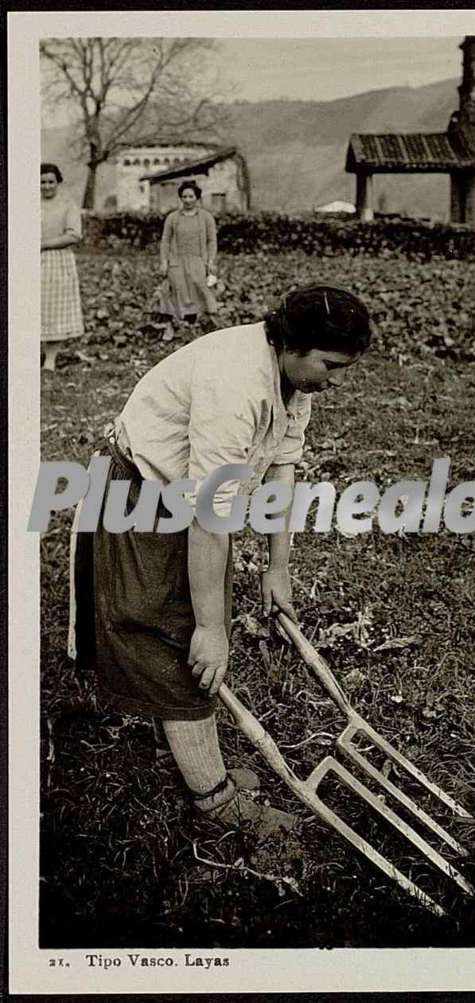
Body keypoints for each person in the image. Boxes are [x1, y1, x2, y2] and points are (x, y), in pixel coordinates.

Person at [71, 285, 372, 835]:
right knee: (179, 634)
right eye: (330, 365)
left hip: (183, 498)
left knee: (194, 617)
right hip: (137, 493)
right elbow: (209, 516)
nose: (334, 379)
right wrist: (211, 628)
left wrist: (276, 566)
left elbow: (283, 466)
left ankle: (183, 752)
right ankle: (214, 801)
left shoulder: (292, 379)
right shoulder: (236, 385)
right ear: (295, 345)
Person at [151, 181, 219, 340]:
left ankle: (195, 325)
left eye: (191, 196)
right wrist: (164, 261)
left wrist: (211, 260)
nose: (188, 200)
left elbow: (212, 241)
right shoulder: (173, 218)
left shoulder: (206, 218)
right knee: (177, 290)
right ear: (180, 198)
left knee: (198, 289)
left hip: (197, 260)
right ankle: (172, 326)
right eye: (184, 196)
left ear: (197, 198)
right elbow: (165, 241)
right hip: (176, 261)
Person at [40, 163, 84, 371]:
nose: (46, 186)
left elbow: (74, 234)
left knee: (54, 310)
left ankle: (50, 358)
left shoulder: (67, 205)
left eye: (50, 182)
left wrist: (42, 244)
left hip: (57, 260)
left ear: (58, 183)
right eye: (42, 182)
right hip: (29, 259)